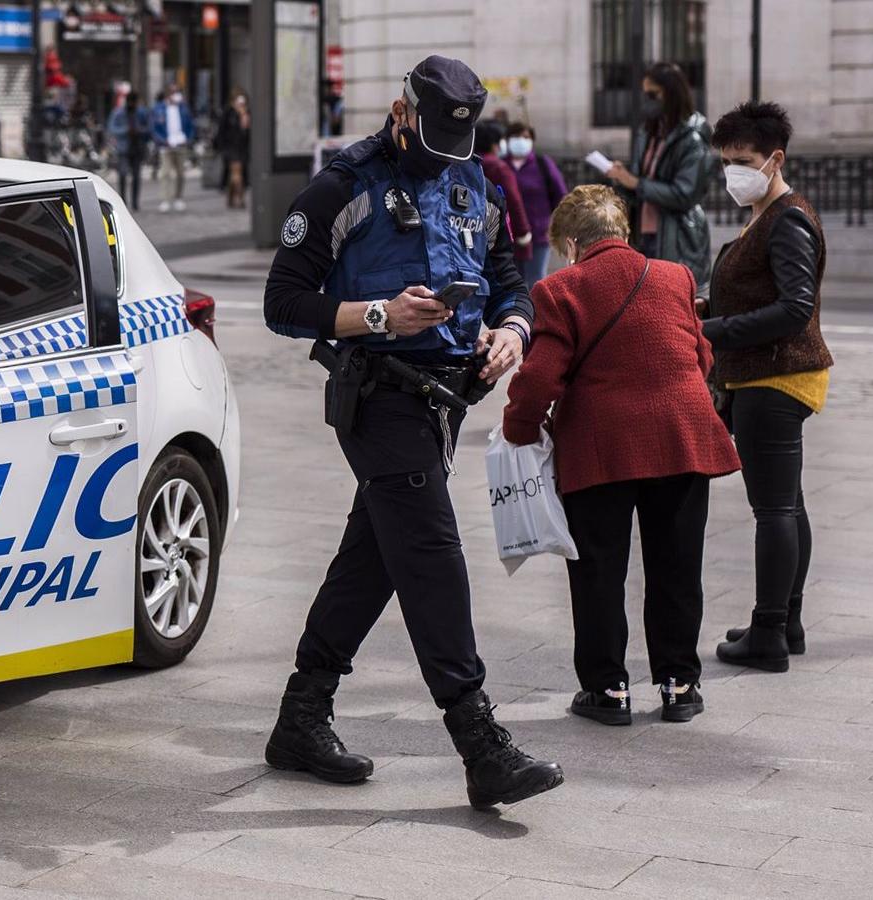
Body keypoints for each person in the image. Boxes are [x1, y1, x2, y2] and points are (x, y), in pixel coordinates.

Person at [261, 55, 562, 809]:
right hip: (377, 395)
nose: (442, 158)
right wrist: (376, 316)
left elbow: (509, 280)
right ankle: (478, 741)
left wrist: (513, 331)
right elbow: (282, 300)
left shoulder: (475, 182)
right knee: (430, 553)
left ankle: (302, 715)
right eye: (430, 140)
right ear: (402, 114)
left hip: (446, 399)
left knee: (375, 556)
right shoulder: (345, 185)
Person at [501, 185, 739, 725]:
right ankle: (680, 685)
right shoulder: (674, 277)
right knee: (678, 566)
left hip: (601, 449)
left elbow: (539, 377)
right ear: (623, 234)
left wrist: (518, 431)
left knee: (599, 572)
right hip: (681, 440)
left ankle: (608, 691)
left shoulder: (560, 289)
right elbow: (700, 354)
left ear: (570, 242)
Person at [703, 101, 832, 673]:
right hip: (766, 372)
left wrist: (710, 328)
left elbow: (794, 307)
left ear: (774, 159)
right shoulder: (765, 213)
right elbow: (758, 293)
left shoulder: (788, 218)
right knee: (789, 505)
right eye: (726, 161)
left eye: (744, 160)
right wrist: (709, 305)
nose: (733, 170)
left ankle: (768, 633)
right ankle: (787, 620)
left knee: (773, 508)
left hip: (775, 374)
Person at [605, 62, 712, 285]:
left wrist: (636, 183)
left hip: (677, 238)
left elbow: (685, 194)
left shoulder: (692, 139)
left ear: (671, 93)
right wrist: (622, 180)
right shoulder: (649, 133)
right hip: (643, 235)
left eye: (653, 94)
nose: (648, 101)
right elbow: (638, 185)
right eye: (646, 94)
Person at [505, 122, 567, 288]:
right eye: (516, 137)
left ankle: (536, 314)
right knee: (511, 283)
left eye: (525, 137)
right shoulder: (501, 165)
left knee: (536, 282)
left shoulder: (543, 164)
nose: (521, 141)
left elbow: (561, 196)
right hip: (508, 237)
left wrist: (555, 225)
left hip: (538, 236)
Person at [473, 120, 534, 266]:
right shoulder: (499, 168)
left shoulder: (469, 165)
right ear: (494, 144)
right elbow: (514, 202)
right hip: (503, 237)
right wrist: (523, 233)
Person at [152, 86, 193, 212]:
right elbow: (154, 127)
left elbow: (190, 125)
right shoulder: (159, 109)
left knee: (181, 173)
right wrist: (162, 140)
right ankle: (165, 199)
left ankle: (178, 198)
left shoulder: (183, 109)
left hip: (180, 143)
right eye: (174, 93)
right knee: (165, 173)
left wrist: (188, 138)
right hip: (166, 145)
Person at [107, 92, 150, 211]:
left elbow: (148, 128)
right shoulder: (119, 112)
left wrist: (139, 130)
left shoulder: (141, 112)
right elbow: (112, 128)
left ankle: (135, 202)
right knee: (122, 175)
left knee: (136, 176)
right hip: (124, 148)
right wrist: (126, 130)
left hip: (137, 148)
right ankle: (123, 201)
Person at [216, 90, 251, 209]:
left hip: (242, 148)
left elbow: (248, 133)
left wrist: (244, 118)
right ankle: (240, 199)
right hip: (230, 148)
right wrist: (221, 148)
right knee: (237, 172)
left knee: (236, 173)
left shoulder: (246, 114)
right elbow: (221, 131)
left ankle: (230, 197)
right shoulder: (228, 113)